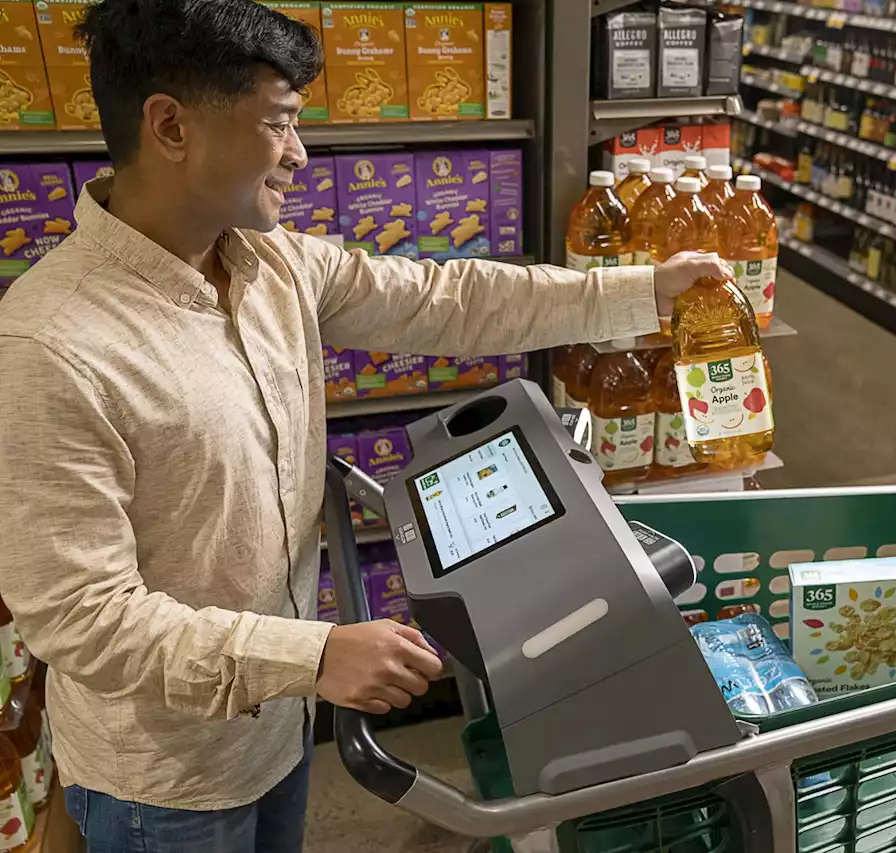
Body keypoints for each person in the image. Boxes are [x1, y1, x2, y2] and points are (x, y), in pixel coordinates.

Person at [0, 1, 730, 850]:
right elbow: (83, 616)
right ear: (169, 126)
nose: (300, 156)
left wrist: (642, 291)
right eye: (279, 124)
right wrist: (311, 657)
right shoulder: (49, 346)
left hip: (278, 730)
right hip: (167, 781)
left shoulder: (268, 261)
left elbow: (445, 298)